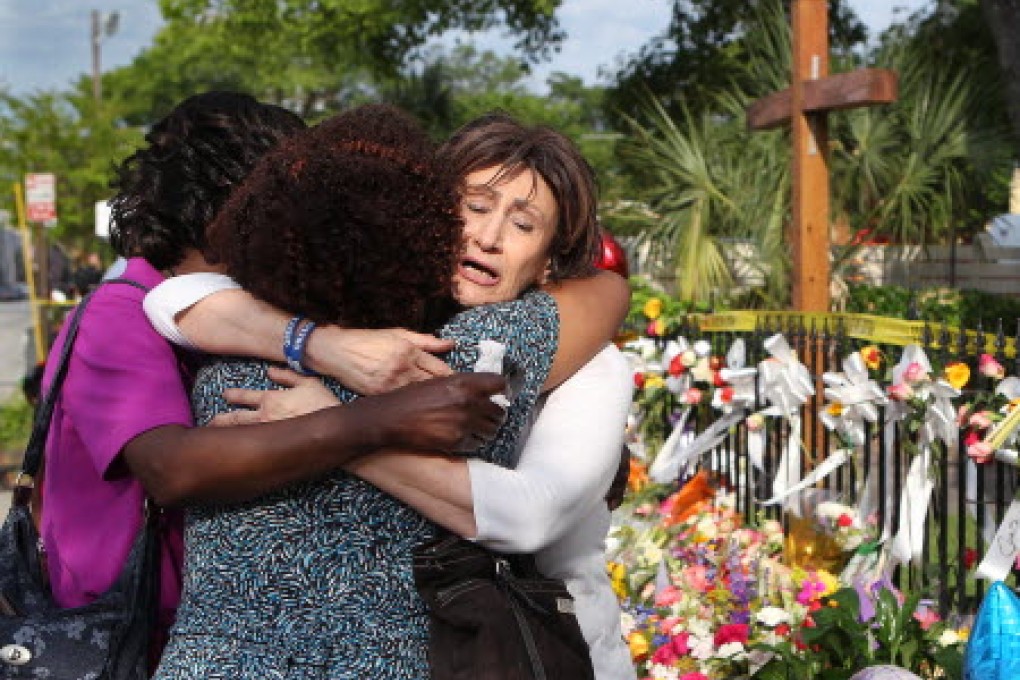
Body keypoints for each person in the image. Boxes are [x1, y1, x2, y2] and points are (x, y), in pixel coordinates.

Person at [145, 113, 635, 678]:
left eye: (522, 225)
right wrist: (325, 346)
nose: (488, 236)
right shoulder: (331, 319)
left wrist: (337, 427)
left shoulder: (569, 357)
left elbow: (531, 514)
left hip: (539, 641)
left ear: (551, 259)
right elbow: (178, 297)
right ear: (426, 208)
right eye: (474, 207)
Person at [38, 92, 507, 663]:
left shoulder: (259, 308)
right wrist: (378, 421)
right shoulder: (123, 313)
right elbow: (172, 469)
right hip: (124, 635)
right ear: (227, 201)